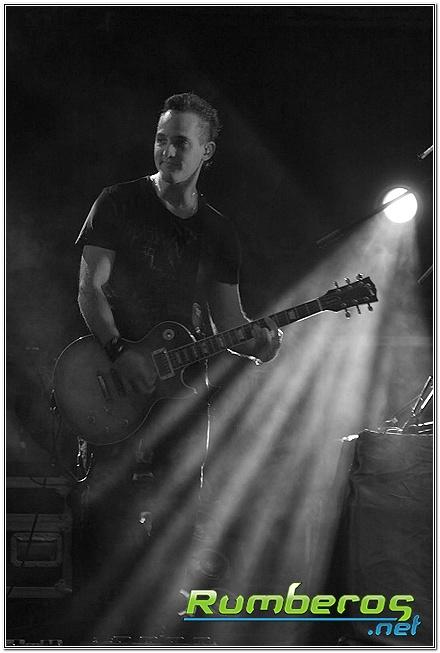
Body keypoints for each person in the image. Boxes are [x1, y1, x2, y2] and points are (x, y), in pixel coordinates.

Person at [72, 92, 282, 641]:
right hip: (116, 379)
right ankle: (95, 638)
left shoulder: (219, 231)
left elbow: (229, 321)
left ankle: (165, 636)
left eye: (181, 142)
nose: (168, 151)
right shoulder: (117, 202)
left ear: (206, 151)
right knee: (104, 515)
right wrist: (119, 351)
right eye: (161, 139)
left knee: (182, 517)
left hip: (184, 388)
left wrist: (259, 345)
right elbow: (89, 289)